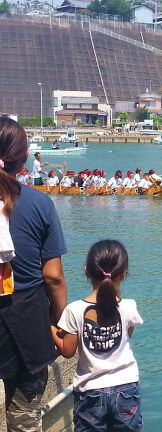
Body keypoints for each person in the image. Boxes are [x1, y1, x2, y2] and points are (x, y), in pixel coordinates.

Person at [0, 117, 68, 432]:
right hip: (25, 319)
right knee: (24, 418)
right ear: (24, 157)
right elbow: (53, 276)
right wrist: (60, 322)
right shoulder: (39, 203)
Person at [52, 240, 143, 432]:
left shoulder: (74, 310)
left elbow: (67, 351)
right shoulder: (129, 306)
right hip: (126, 387)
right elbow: (126, 336)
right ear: (124, 274)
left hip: (90, 391)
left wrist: (49, 326)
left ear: (87, 271)